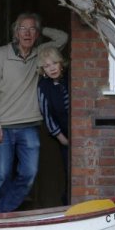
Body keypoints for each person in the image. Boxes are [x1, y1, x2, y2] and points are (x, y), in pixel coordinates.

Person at [0, 13, 68, 213]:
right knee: (1, 176)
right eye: (23, 29)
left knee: (29, 173)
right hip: (2, 127)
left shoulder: (40, 54)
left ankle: (2, 213)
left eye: (32, 29)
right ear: (15, 32)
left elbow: (62, 38)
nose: (27, 33)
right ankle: (4, 219)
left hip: (29, 127)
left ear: (37, 34)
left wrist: (42, 28)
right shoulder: (1, 55)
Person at [37, 46, 70, 204]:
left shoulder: (71, 78)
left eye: (54, 63)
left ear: (61, 63)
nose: (52, 68)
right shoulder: (44, 87)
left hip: (78, 131)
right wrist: (62, 138)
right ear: (43, 70)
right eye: (47, 66)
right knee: (68, 170)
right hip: (63, 135)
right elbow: (47, 115)